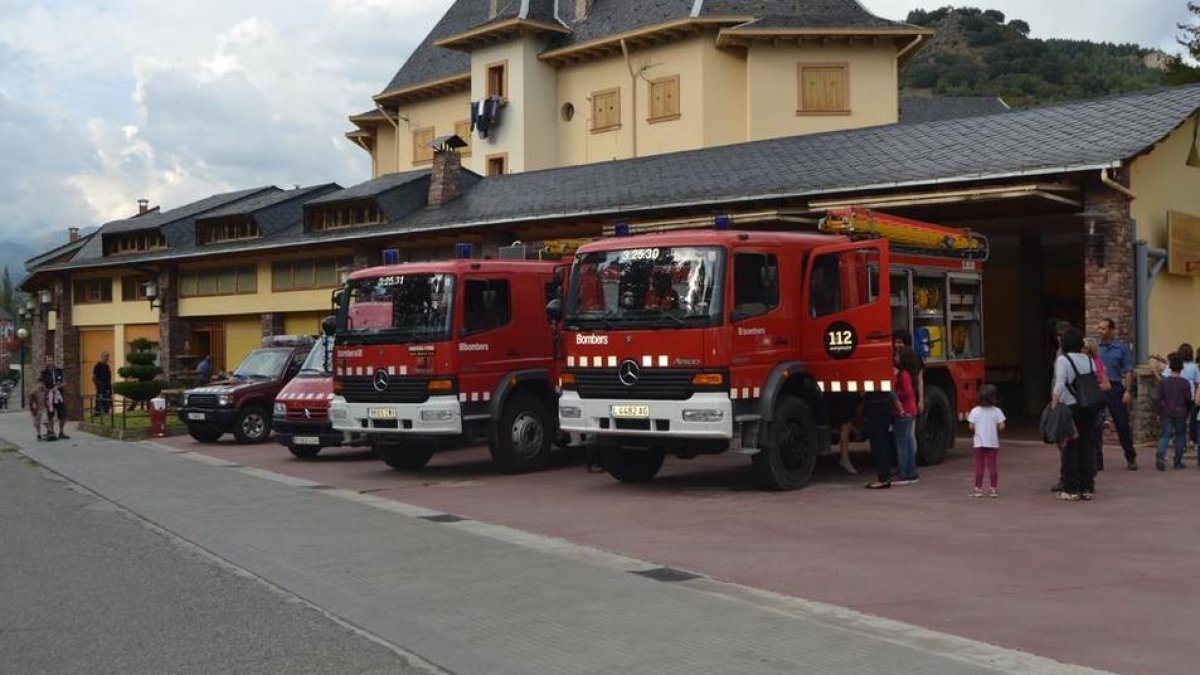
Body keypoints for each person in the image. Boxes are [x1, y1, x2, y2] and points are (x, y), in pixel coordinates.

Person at [1051, 327, 1099, 501]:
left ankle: (1070, 489)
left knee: (1070, 448)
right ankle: (1087, 487)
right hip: (1088, 408)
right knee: (1086, 446)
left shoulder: (1063, 360)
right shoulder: (1089, 359)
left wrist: (1053, 407)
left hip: (1070, 409)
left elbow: (1059, 385)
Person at [1096, 318, 1138, 470]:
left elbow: (1128, 369)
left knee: (1122, 423)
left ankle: (1130, 456)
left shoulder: (1121, 347)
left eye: (1104, 329)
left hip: (1115, 387)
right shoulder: (1095, 347)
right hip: (1098, 387)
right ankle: (1097, 460)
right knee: (1096, 424)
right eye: (1099, 328)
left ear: (1112, 330)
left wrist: (1128, 390)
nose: (1100, 331)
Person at [968, 384, 1006, 497]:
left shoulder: (975, 411)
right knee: (992, 465)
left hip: (979, 443)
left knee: (979, 466)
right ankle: (993, 489)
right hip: (993, 443)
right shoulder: (997, 411)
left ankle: (978, 489)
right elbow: (1002, 426)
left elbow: (971, 426)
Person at [1156, 354, 1191, 471]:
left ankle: (1161, 456)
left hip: (1167, 411)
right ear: (1181, 369)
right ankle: (1177, 462)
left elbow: (1159, 398)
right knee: (1180, 436)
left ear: (1170, 368)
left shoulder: (1164, 382)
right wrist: (1189, 412)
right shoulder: (1185, 383)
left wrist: (1158, 413)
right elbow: (1188, 399)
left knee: (1165, 435)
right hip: (1181, 412)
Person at [893, 346, 921, 485]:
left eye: (897, 355)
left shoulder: (903, 374)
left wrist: (894, 395)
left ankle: (903, 474)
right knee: (909, 443)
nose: (895, 357)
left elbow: (907, 392)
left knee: (902, 444)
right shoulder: (910, 373)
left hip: (903, 411)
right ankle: (911, 472)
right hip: (911, 410)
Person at [862, 391, 894, 489]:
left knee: (878, 445)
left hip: (875, 409)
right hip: (884, 407)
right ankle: (885, 477)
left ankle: (883, 479)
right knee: (884, 443)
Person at [39, 356, 68, 440]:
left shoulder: (59, 371)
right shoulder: (44, 373)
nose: (50, 362)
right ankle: (51, 432)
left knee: (63, 414)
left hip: (59, 395)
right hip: (49, 396)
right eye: (48, 360)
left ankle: (61, 432)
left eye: (51, 360)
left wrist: (58, 387)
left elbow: (64, 383)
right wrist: (47, 391)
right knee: (50, 414)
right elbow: (41, 384)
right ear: (45, 362)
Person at [92, 351, 113, 417]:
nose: (107, 358)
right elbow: (93, 377)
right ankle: (97, 413)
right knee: (100, 399)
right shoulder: (98, 366)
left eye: (108, 356)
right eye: (106, 356)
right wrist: (97, 385)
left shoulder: (107, 366)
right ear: (102, 357)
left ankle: (106, 412)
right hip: (101, 386)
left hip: (107, 386)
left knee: (107, 399)